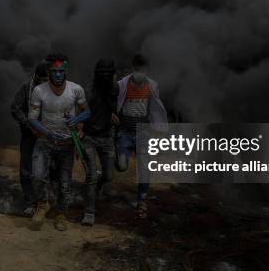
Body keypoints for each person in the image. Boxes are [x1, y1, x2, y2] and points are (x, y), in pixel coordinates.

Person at [28, 53, 90, 231]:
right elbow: (32, 119)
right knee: (38, 175)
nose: (57, 75)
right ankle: (42, 205)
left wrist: (77, 120)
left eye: (60, 71)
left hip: (67, 143)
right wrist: (47, 133)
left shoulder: (76, 89)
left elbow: (87, 111)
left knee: (65, 182)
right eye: (54, 71)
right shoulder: (39, 91)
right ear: (49, 72)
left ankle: (61, 214)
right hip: (45, 141)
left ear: (65, 72)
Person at [115, 54, 167, 219]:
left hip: (143, 133)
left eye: (142, 69)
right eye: (137, 69)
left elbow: (155, 108)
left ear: (146, 70)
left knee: (144, 167)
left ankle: (142, 200)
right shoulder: (122, 84)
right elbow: (114, 102)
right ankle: (118, 155)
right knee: (122, 165)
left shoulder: (152, 86)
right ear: (133, 68)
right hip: (124, 131)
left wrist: (158, 129)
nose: (139, 72)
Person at [80, 59, 119, 226]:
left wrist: (115, 116)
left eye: (107, 73)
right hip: (89, 137)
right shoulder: (88, 91)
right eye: (101, 73)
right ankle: (89, 212)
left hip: (107, 137)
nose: (105, 76)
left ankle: (96, 189)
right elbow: (80, 111)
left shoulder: (115, 89)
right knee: (91, 176)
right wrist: (79, 129)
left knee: (108, 175)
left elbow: (117, 108)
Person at [10, 62, 50, 215]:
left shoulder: (55, 88)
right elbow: (15, 108)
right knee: (26, 168)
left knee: (50, 167)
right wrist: (27, 122)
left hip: (48, 134)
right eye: (42, 80)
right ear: (36, 77)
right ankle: (30, 203)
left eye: (47, 79)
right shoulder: (26, 88)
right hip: (29, 134)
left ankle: (47, 201)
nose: (44, 83)